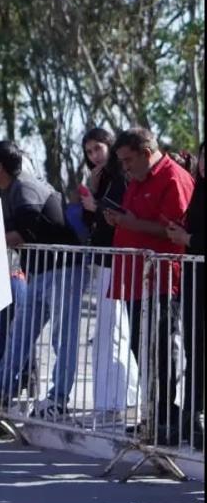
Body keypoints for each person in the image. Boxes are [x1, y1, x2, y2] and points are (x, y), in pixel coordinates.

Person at [0, 140, 85, 418]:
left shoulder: (24, 187)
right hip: (39, 271)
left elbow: (25, 233)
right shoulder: (7, 190)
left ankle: (58, 399)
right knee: (19, 334)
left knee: (63, 338)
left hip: (63, 269)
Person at [106, 128, 195, 445]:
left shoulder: (173, 177)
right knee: (142, 349)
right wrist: (119, 221)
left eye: (128, 160)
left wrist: (130, 223)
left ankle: (166, 416)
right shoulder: (138, 179)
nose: (125, 168)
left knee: (160, 351)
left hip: (162, 280)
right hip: (135, 280)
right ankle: (155, 413)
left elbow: (175, 229)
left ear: (146, 153)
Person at [78, 128, 141, 416]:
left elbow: (121, 214)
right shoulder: (99, 177)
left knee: (113, 330)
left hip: (118, 257)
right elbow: (90, 219)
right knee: (109, 330)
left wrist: (97, 203)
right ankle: (117, 397)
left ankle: (117, 399)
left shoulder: (121, 175)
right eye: (89, 151)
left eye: (98, 148)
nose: (94, 156)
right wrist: (92, 194)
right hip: (104, 258)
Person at [164, 141, 205, 449]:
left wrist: (187, 238)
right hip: (194, 280)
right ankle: (192, 414)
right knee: (194, 349)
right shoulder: (198, 193)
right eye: (203, 157)